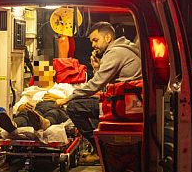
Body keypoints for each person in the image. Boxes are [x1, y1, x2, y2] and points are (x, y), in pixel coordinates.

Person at [56, 22, 142, 164]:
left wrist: (69, 97)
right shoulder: (123, 49)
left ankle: (98, 150)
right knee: (90, 106)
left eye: (95, 40)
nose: (93, 45)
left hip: (123, 106)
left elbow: (96, 85)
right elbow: (106, 83)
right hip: (129, 102)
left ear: (108, 37)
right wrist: (98, 68)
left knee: (74, 107)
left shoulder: (115, 52)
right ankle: (101, 148)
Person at [0, 60, 74, 134]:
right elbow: (17, 107)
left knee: (54, 113)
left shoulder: (64, 88)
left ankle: (45, 122)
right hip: (35, 112)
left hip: (56, 110)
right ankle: (12, 125)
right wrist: (22, 107)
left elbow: (75, 104)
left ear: (53, 72)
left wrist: (59, 99)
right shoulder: (31, 90)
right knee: (25, 114)